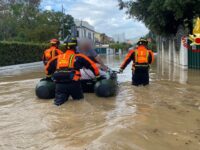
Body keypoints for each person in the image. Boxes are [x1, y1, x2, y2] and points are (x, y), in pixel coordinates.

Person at [45, 37, 100, 106]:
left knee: (58, 104)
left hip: (59, 85)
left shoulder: (57, 58)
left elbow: (47, 69)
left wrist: (48, 78)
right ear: (75, 46)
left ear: (64, 47)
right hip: (74, 84)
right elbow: (93, 66)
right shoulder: (79, 57)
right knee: (79, 102)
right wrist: (98, 77)